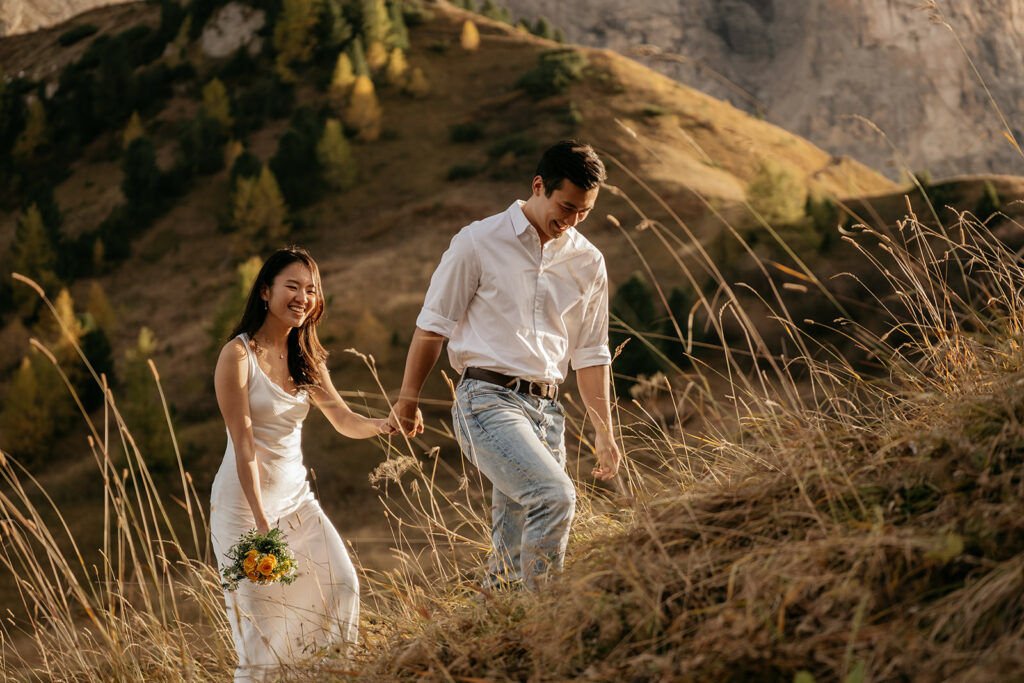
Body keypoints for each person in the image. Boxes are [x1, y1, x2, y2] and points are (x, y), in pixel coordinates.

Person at [388, 140, 621, 589]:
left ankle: (496, 617)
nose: (572, 221)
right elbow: (432, 327)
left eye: (584, 212)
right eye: (566, 207)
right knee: (555, 497)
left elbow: (592, 353)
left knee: (512, 555)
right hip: (486, 401)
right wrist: (408, 399)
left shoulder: (589, 261)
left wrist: (604, 431)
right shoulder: (478, 241)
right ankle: (546, 617)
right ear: (538, 185)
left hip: (548, 413)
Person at [210, 247, 394, 681]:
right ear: (265, 292)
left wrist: (386, 425)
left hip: (298, 503)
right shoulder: (238, 356)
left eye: (311, 290)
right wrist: (261, 522)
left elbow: (343, 420)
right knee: (264, 631)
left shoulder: (307, 357)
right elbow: (244, 445)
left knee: (341, 585)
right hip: (244, 511)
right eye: (292, 286)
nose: (303, 297)